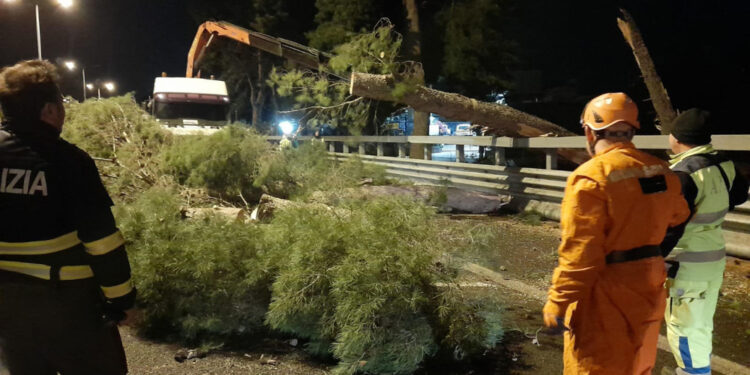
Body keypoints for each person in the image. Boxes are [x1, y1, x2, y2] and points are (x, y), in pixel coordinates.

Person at [0, 60, 136, 374]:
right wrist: (122, 301)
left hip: (7, 307)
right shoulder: (69, 161)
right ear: (49, 110)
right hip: (66, 305)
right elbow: (102, 242)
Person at [542, 92, 691, 374]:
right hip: (650, 284)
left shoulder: (590, 177)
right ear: (632, 130)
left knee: (594, 365)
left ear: (589, 132)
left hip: (605, 293)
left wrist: (558, 303)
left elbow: (580, 254)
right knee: (638, 364)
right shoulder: (660, 170)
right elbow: (680, 214)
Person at [661, 109, 748, 375]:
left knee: (683, 326)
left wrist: (653, 256)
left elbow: (670, 227)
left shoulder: (683, 173)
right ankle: (700, 367)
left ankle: (694, 372)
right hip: (712, 258)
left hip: (687, 266)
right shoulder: (723, 164)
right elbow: (738, 195)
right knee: (700, 322)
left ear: (677, 138)